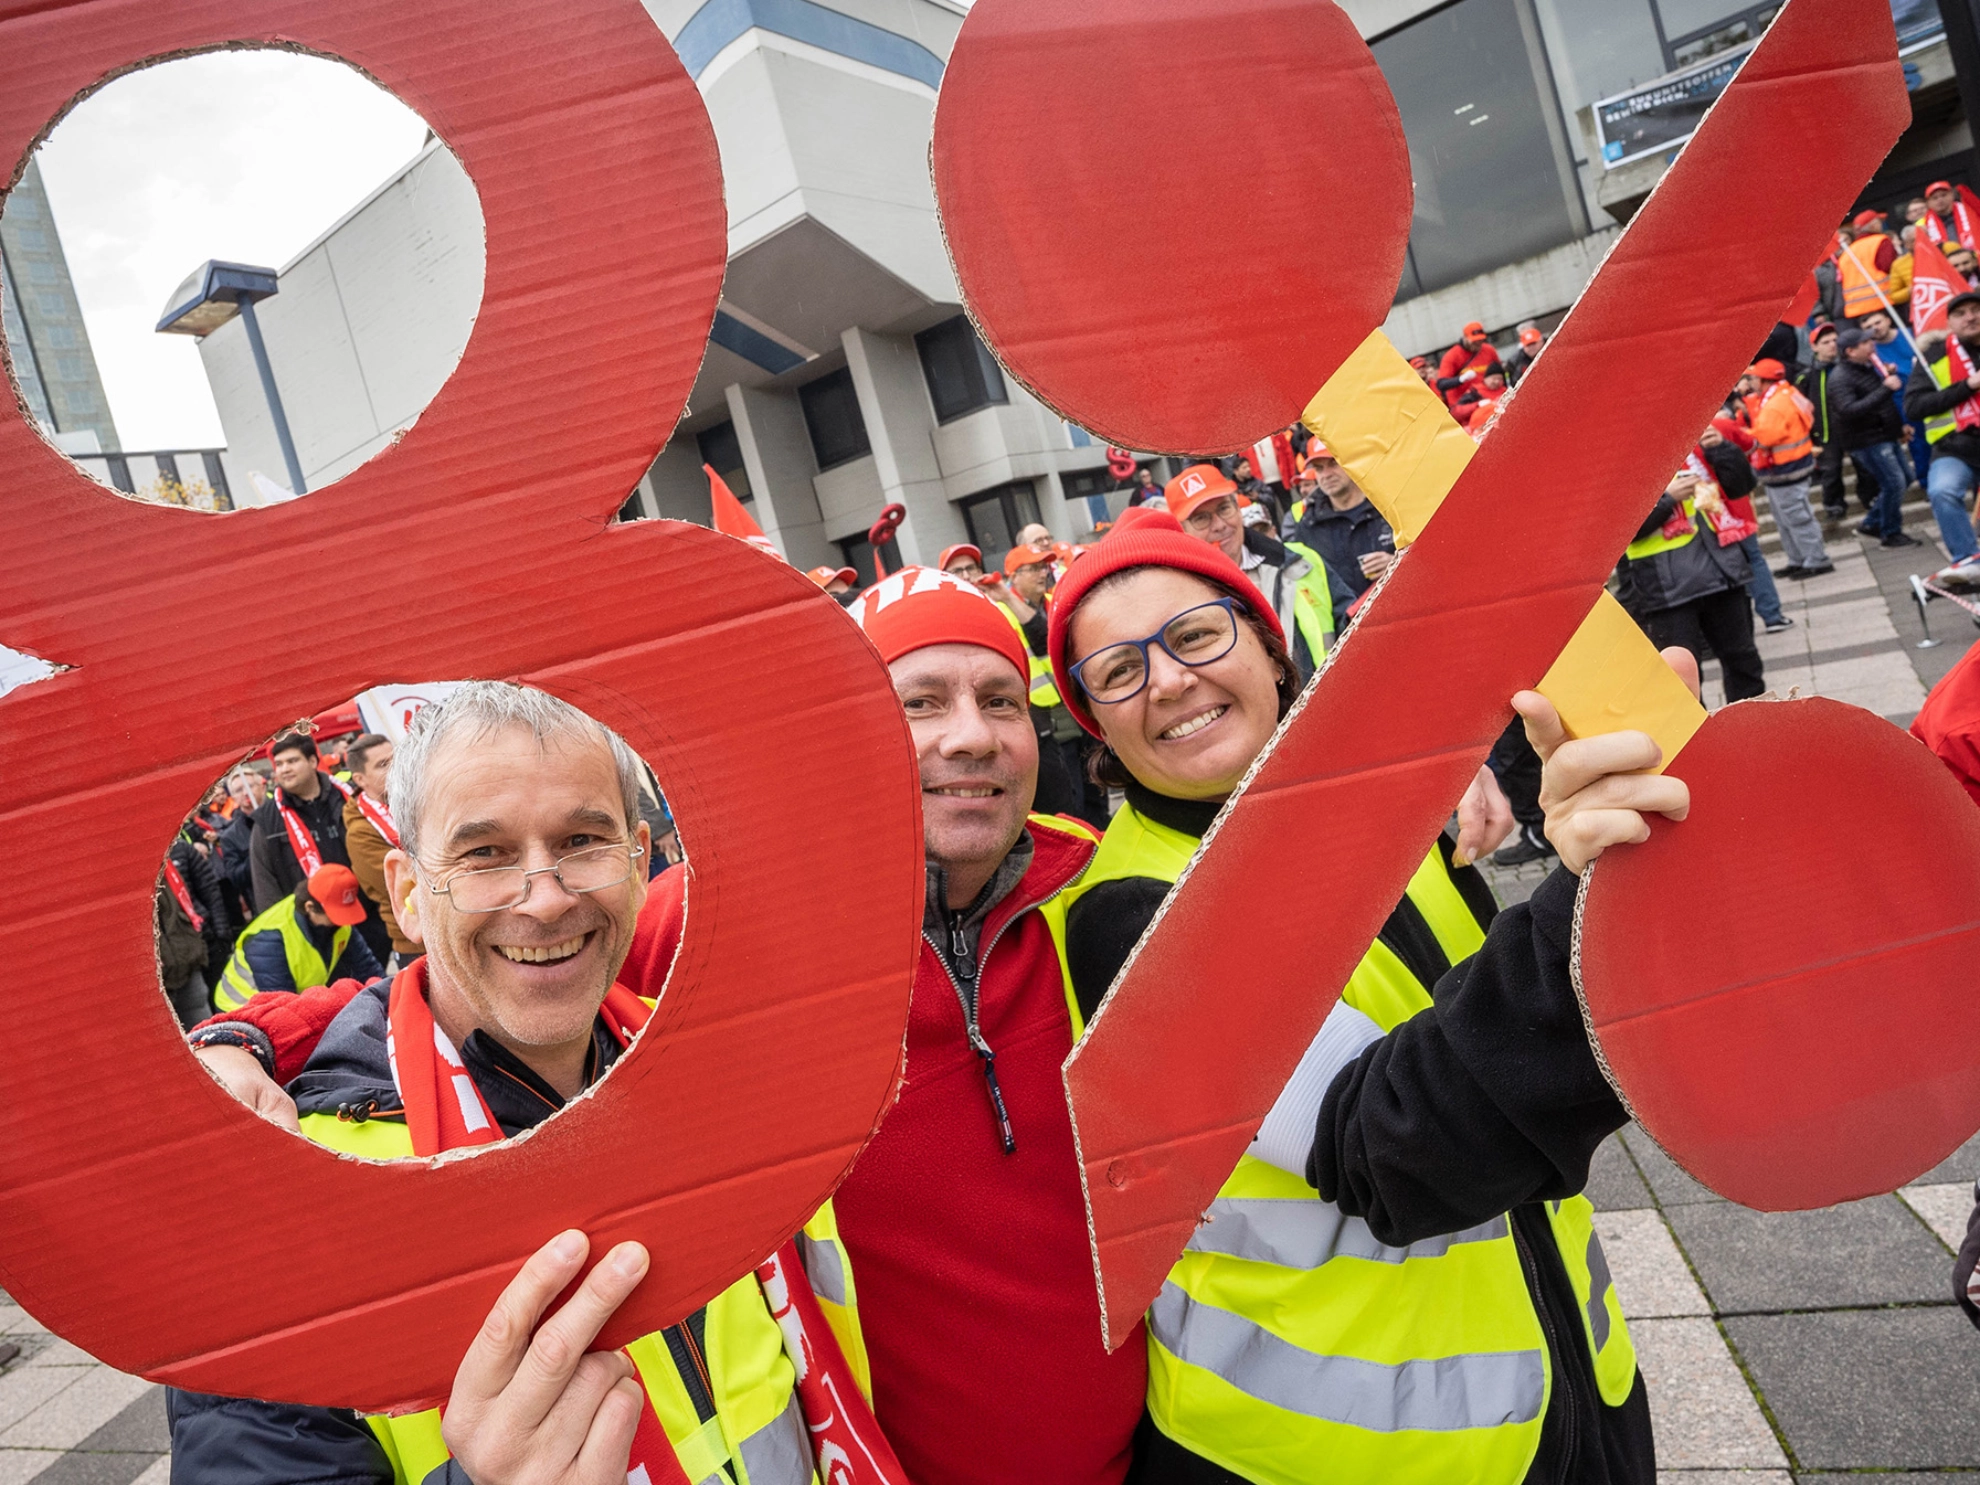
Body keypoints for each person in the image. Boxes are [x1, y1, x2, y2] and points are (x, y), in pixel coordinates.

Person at [190, 589, 1154, 1485]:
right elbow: (436, 991)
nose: (547, 894)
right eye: (485, 852)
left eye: (1000, 697)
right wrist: (242, 1036)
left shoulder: (1096, 899)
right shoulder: (723, 932)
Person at [1045, 513, 1669, 1484]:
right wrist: (1592, 904)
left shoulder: (1384, 813)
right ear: (1098, 729)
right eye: (1118, 673)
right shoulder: (1131, 916)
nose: (1167, 680)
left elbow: (1500, 1025)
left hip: (1574, 1388)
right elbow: (1395, 1145)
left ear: (1271, 648)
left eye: (1197, 634)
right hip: (1323, 1458)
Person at [173, 683, 880, 1484]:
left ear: (640, 862)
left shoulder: (724, 1071)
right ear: (405, 893)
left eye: (584, 840)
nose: (546, 898)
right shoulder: (291, 1192)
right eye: (485, 854)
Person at [1165, 463, 1350, 675]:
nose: (1219, 525)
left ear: (1237, 508)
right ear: (1182, 531)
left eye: (1224, 508)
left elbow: (1352, 623)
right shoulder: (1179, 596)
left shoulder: (1300, 560)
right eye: (1201, 518)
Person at [1614, 465, 1766, 701]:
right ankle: (1697, 737)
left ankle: (1754, 728)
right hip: (1666, 589)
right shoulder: (1622, 467)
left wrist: (1722, 449)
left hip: (1721, 572)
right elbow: (1620, 528)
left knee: (1744, 660)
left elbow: (1742, 484)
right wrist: (1668, 499)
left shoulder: (1695, 446)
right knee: (1680, 679)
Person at [212, 864, 382, 1010]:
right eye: (336, 915)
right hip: (240, 1009)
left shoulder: (338, 923)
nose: (344, 921)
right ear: (310, 907)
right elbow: (283, 1006)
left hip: (288, 1000)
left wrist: (386, 996)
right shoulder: (270, 939)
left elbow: (367, 967)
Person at [1905, 290, 1980, 585]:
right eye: (1961, 313)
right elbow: (1914, 407)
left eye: (1975, 309)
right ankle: (1968, 560)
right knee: (1942, 491)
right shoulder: (1933, 356)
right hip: (1955, 448)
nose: (1970, 317)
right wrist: (1968, 386)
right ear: (1949, 322)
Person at [1738, 360, 1833, 578]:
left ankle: (1816, 560)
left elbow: (1766, 437)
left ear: (1763, 380)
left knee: (1797, 518)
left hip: (1787, 469)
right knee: (1786, 519)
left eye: (1752, 378)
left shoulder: (1775, 404)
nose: (1749, 382)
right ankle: (1800, 558)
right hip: (1786, 469)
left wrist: (1743, 433)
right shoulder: (1783, 393)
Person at [1700, 419, 1792, 633]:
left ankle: (1736, 628)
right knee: (1753, 561)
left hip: (1705, 516)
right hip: (1735, 509)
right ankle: (1772, 615)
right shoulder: (1720, 423)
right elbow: (1751, 445)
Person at [248, 733, 353, 914]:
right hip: (314, 921)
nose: (284, 769)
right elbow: (265, 885)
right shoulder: (267, 820)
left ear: (312, 761)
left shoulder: (347, 797)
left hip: (366, 910)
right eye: (279, 764)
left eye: (292, 761)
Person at [1833, 326, 1920, 546]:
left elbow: (1882, 404)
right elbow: (1848, 410)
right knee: (1894, 483)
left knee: (1906, 478)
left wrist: (1898, 427)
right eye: (1865, 342)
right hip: (1867, 440)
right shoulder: (1841, 377)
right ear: (1851, 351)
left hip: (1884, 434)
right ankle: (1890, 532)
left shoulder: (1867, 367)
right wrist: (1885, 388)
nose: (1872, 343)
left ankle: (1872, 523)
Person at [1285, 444, 1397, 605]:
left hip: (1398, 612)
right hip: (1347, 624)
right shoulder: (1308, 524)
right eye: (1319, 468)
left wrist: (1397, 565)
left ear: (1352, 462)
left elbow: (1427, 559)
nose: (1326, 475)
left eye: (1333, 463)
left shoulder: (1388, 507)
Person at [341, 732, 415, 969]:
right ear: (360, 779)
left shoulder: (416, 800)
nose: (395, 767)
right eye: (383, 765)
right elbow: (399, 885)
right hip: (414, 942)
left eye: (395, 758)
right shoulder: (359, 833)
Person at [1862, 308, 1928, 480]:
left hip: (1925, 390)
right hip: (1901, 399)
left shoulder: (1909, 334)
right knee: (1916, 441)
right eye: (1869, 326)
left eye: (1878, 322)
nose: (1875, 328)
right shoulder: (1870, 351)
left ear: (1888, 320)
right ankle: (1925, 480)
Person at [1798, 322, 1849, 520]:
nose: (1832, 345)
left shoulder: (1848, 366)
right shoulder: (1806, 376)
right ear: (1814, 346)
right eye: (1826, 342)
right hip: (1824, 432)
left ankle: (1869, 497)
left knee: (1864, 467)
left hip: (1851, 428)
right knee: (1831, 471)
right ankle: (1833, 505)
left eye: (1835, 340)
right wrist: (1810, 436)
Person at [1839, 208, 1900, 323]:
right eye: (1878, 221)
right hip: (1883, 302)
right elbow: (1890, 267)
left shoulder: (1847, 253)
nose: (1881, 224)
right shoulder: (1881, 241)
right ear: (1872, 226)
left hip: (1857, 309)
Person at [1435, 320, 1500, 411]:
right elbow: (1441, 384)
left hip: (1487, 401)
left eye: (1480, 340)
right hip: (1463, 405)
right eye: (1474, 341)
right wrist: (1460, 379)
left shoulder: (1489, 350)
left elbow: (1500, 373)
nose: (1478, 344)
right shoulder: (1452, 355)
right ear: (1465, 337)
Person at [1922, 179, 1980, 251]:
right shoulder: (1923, 225)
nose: (1940, 200)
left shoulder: (1971, 211)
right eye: (1935, 198)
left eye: (1943, 195)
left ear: (1952, 195)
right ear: (1928, 203)